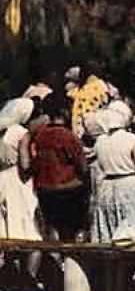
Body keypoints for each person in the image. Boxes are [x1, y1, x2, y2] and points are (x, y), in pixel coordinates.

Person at [89, 101, 135, 246]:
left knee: (109, 228)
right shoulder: (132, 140)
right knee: (132, 231)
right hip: (129, 186)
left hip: (106, 187)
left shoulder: (100, 141)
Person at [28, 95, 88, 241]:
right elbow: (82, 166)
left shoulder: (39, 135)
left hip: (45, 188)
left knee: (52, 227)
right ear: (65, 112)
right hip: (68, 188)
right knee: (71, 228)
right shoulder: (67, 136)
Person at [0, 97, 42, 242]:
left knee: (7, 228)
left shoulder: (3, 133)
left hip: (3, 177)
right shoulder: (21, 133)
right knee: (29, 231)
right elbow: (25, 164)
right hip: (18, 181)